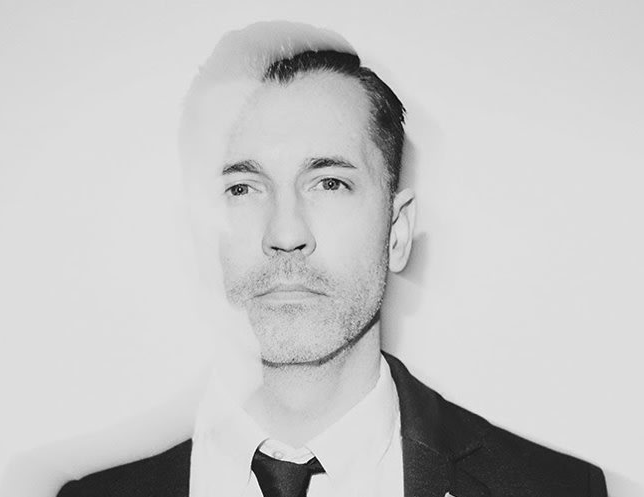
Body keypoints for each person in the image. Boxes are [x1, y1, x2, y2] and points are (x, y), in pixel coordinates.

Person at [57, 21, 607, 497]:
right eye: (243, 188)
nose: (286, 232)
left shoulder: (553, 489)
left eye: (329, 183)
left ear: (397, 232)